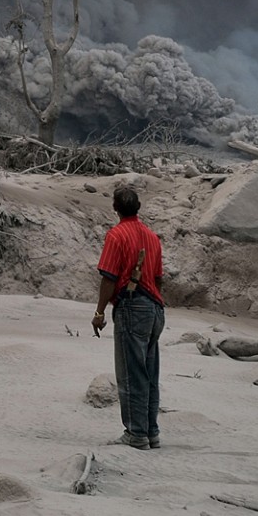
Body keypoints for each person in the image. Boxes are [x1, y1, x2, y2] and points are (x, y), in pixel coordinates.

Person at [91, 184, 164, 450]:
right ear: (138, 208)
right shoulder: (152, 236)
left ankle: (136, 434)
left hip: (132, 307)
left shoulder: (116, 235)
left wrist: (99, 312)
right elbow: (158, 278)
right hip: (155, 308)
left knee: (131, 374)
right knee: (149, 372)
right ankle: (150, 431)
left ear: (115, 208)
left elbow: (109, 278)